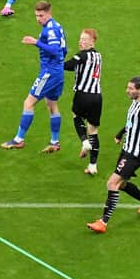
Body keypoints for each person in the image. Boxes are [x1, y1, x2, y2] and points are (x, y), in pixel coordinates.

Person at [87, 75, 140, 234]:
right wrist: (120, 133)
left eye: (131, 89)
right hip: (127, 150)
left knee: (112, 183)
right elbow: (131, 123)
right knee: (123, 184)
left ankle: (103, 222)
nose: (127, 91)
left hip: (135, 154)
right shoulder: (135, 103)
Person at [1, 1, 67, 152]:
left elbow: (56, 50)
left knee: (28, 103)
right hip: (57, 71)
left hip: (49, 72)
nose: (38, 19)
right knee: (52, 105)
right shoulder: (56, 26)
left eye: (41, 15)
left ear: (49, 13)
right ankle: (55, 142)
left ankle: (18, 139)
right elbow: (63, 51)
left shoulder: (50, 30)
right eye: (36, 15)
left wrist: (35, 42)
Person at [64, 29, 103, 175]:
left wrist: (55, 61)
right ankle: (93, 165)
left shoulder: (82, 55)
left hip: (83, 94)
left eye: (85, 39)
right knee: (93, 130)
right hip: (97, 97)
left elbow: (68, 65)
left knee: (76, 115)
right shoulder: (98, 56)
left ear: (92, 42)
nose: (81, 41)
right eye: (80, 38)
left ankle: (84, 142)